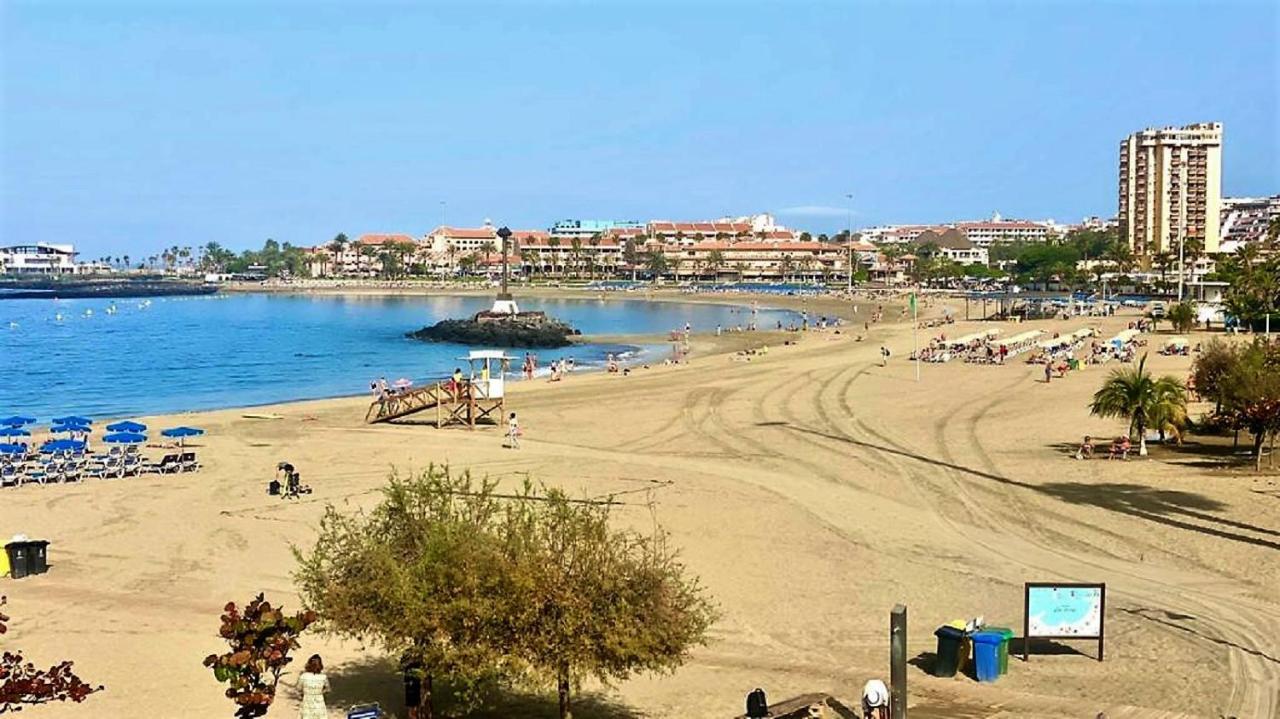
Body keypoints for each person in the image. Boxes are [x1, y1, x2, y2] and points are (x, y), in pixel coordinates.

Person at [298, 654, 330, 719]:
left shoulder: (303, 676)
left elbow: (299, 689)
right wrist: (320, 693)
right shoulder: (323, 677)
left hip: (307, 701)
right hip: (319, 702)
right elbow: (328, 689)